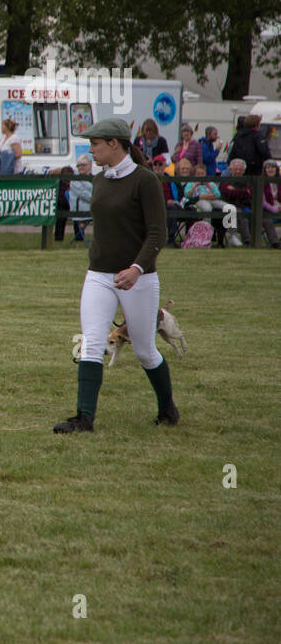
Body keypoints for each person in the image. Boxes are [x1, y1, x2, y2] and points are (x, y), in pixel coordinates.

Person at [55, 118, 178, 434]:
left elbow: (157, 233)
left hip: (139, 278)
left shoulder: (145, 181)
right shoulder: (99, 180)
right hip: (98, 275)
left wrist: (137, 268)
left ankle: (168, 409)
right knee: (92, 342)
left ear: (114, 144)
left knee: (144, 351)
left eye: (95, 143)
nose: (90, 149)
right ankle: (84, 418)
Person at [184, 162, 226, 247]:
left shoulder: (210, 183)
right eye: (198, 174)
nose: (201, 176)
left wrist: (209, 186)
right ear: (195, 175)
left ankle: (232, 234)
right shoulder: (191, 183)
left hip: (212, 199)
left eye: (202, 174)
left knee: (227, 207)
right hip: (200, 200)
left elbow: (217, 194)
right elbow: (187, 195)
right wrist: (194, 186)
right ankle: (207, 234)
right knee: (207, 209)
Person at [220, 158, 253, 246]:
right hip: (230, 206)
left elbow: (251, 193)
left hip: (246, 206)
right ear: (230, 170)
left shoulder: (248, 181)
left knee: (262, 216)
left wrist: (235, 191)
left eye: (240, 170)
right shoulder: (225, 180)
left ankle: (274, 243)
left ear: (244, 171)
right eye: (235, 169)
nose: (238, 171)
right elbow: (227, 193)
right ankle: (247, 241)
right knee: (241, 215)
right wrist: (244, 192)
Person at [69, 155, 94, 244]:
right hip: (80, 209)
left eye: (83, 165)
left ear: (90, 165)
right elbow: (84, 194)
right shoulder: (74, 180)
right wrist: (97, 199)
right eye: (78, 165)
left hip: (94, 206)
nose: (80, 167)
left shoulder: (95, 178)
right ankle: (79, 241)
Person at [262, 159, 281, 248]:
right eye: (268, 167)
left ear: (276, 169)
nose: (270, 169)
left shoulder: (279, 180)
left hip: (279, 207)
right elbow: (262, 201)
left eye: (273, 167)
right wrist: (273, 209)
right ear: (264, 169)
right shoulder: (261, 181)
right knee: (266, 219)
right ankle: (275, 243)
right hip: (266, 209)